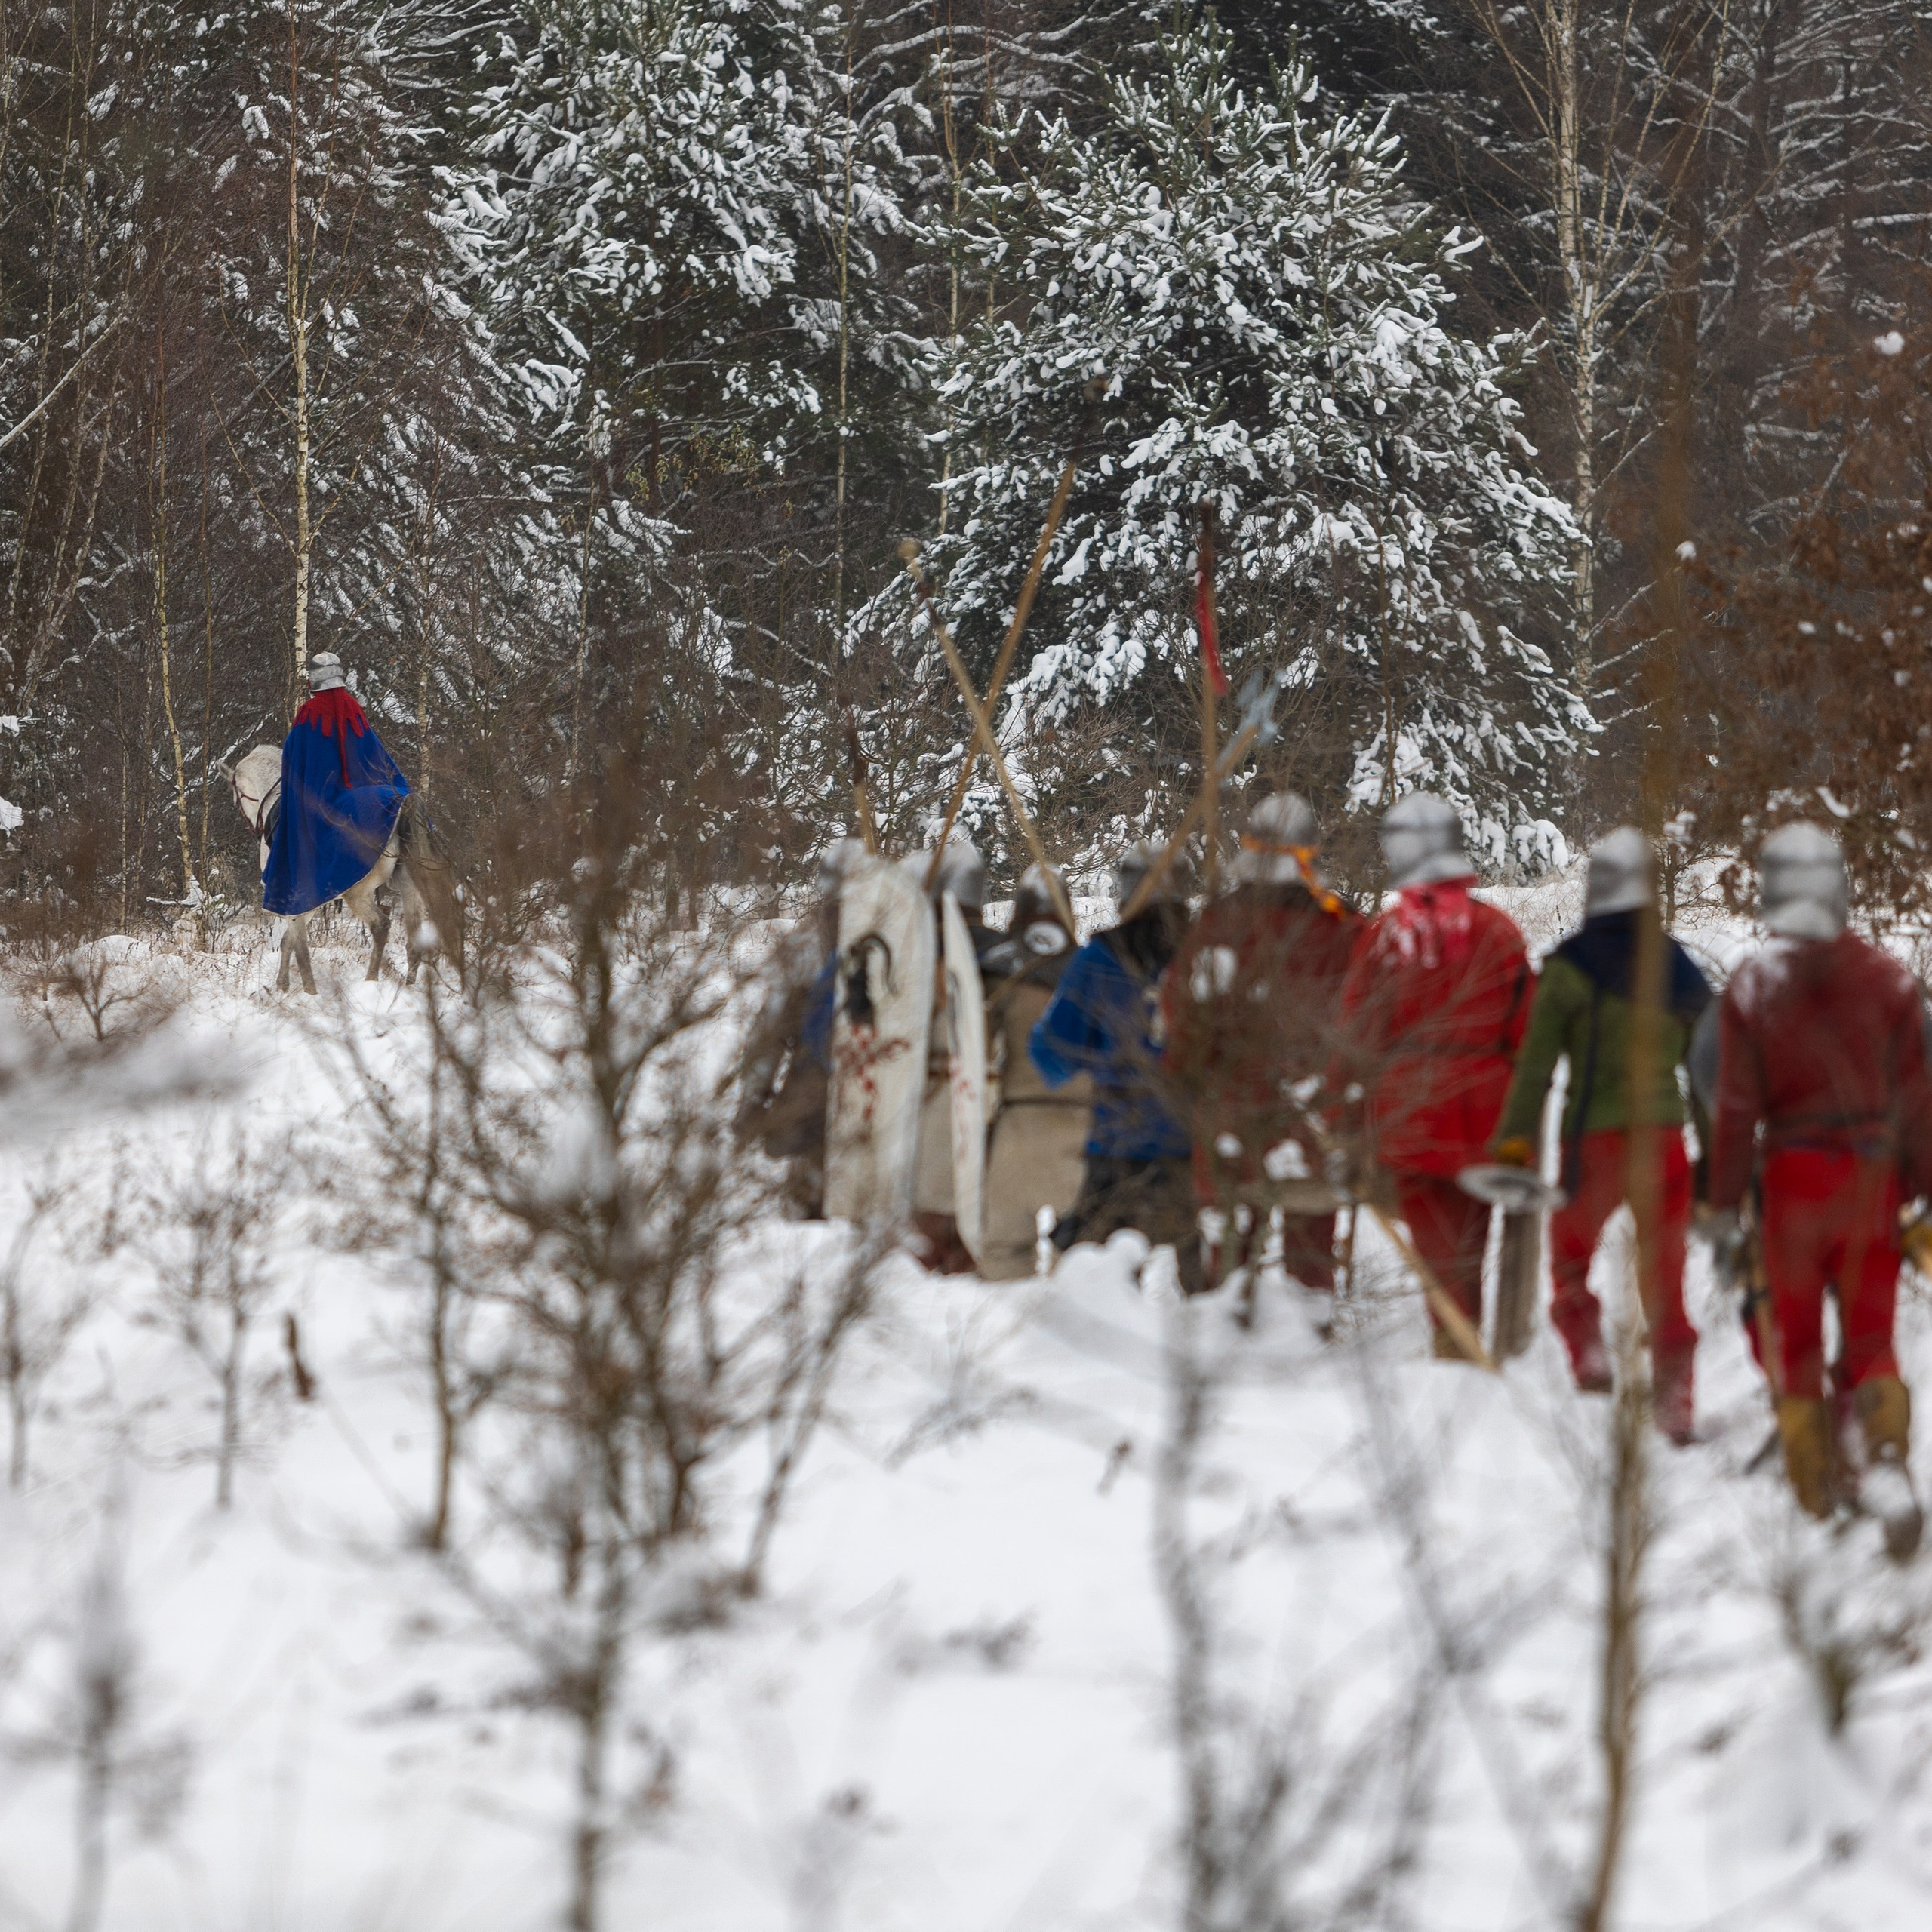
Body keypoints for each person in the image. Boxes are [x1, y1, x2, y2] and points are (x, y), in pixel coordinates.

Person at [1709, 823, 1932, 1550]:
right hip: (1870, 1176)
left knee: (1797, 1340)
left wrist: (1725, 1210)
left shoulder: (1754, 985)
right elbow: (1919, 1103)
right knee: (1871, 1338)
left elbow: (1736, 1110)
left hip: (1793, 1180)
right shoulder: (1890, 979)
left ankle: (1818, 1501)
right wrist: (1926, 1191)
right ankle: (1888, 1460)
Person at [1490, 827, 1711, 1439]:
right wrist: (1717, 1157)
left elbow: (1534, 1067)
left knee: (1569, 1258)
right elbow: (1711, 1071)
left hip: (1594, 1142)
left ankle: (1586, 1347)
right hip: (1663, 1140)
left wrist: (1515, 1142)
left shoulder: (1568, 970)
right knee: (1665, 1274)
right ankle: (1676, 1402)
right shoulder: (1678, 968)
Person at [1337, 793, 1531, 1354]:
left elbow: (1356, 1035)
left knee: (1436, 1242)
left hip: (1412, 1111)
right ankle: (1465, 1334)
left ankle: (1455, 1339)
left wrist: (1343, 1111)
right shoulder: (1498, 931)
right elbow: (1526, 1029)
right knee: (1470, 1234)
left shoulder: (1386, 938)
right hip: (1487, 1110)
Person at [1164, 793, 1361, 1290]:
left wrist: (1182, 1081)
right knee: (1309, 1254)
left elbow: (1181, 1014)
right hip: (1310, 1110)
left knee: (1226, 1256)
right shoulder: (1341, 927)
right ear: (1309, 852)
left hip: (1230, 1107)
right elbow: (1366, 1018)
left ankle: (1224, 1340)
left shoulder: (1214, 922)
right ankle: (1308, 1342)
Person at [1031, 840, 1202, 1293]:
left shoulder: (1101, 959)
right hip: (1195, 1143)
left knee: (1104, 1278)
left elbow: (1054, 1049)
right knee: (1207, 1281)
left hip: (1119, 1142)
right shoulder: (1207, 955)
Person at [738, 838, 866, 1216]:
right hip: (876, 1083)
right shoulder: (894, 940)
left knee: (809, 1203)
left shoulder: (802, 945)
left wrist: (752, 1100)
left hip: (814, 1087)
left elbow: (768, 1036)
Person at [978, 866, 1091, 1281]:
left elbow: (976, 1047)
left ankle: (1012, 1343)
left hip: (1018, 1124)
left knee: (1005, 1255)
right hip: (1081, 1129)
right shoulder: (1092, 969)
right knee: (1079, 1265)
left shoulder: (999, 972)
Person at [262, 653, 411, 917]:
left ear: (313, 681)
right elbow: (372, 750)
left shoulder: (309, 712)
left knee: (288, 822)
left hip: (323, 794)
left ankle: (296, 886)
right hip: (360, 787)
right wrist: (396, 782)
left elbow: (294, 756)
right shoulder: (353, 706)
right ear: (340, 675)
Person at [909, 839, 999, 1273]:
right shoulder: (999, 950)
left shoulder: (923, 954)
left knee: (940, 1208)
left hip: (948, 1092)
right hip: (972, 1095)